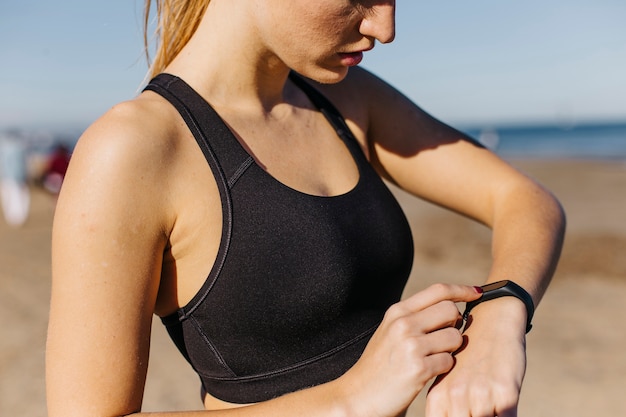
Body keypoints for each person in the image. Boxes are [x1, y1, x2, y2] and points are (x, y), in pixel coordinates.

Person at [46, 1, 566, 416]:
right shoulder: (134, 148)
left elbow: (524, 200)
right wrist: (348, 399)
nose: (385, 27)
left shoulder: (344, 99)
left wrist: (502, 309)